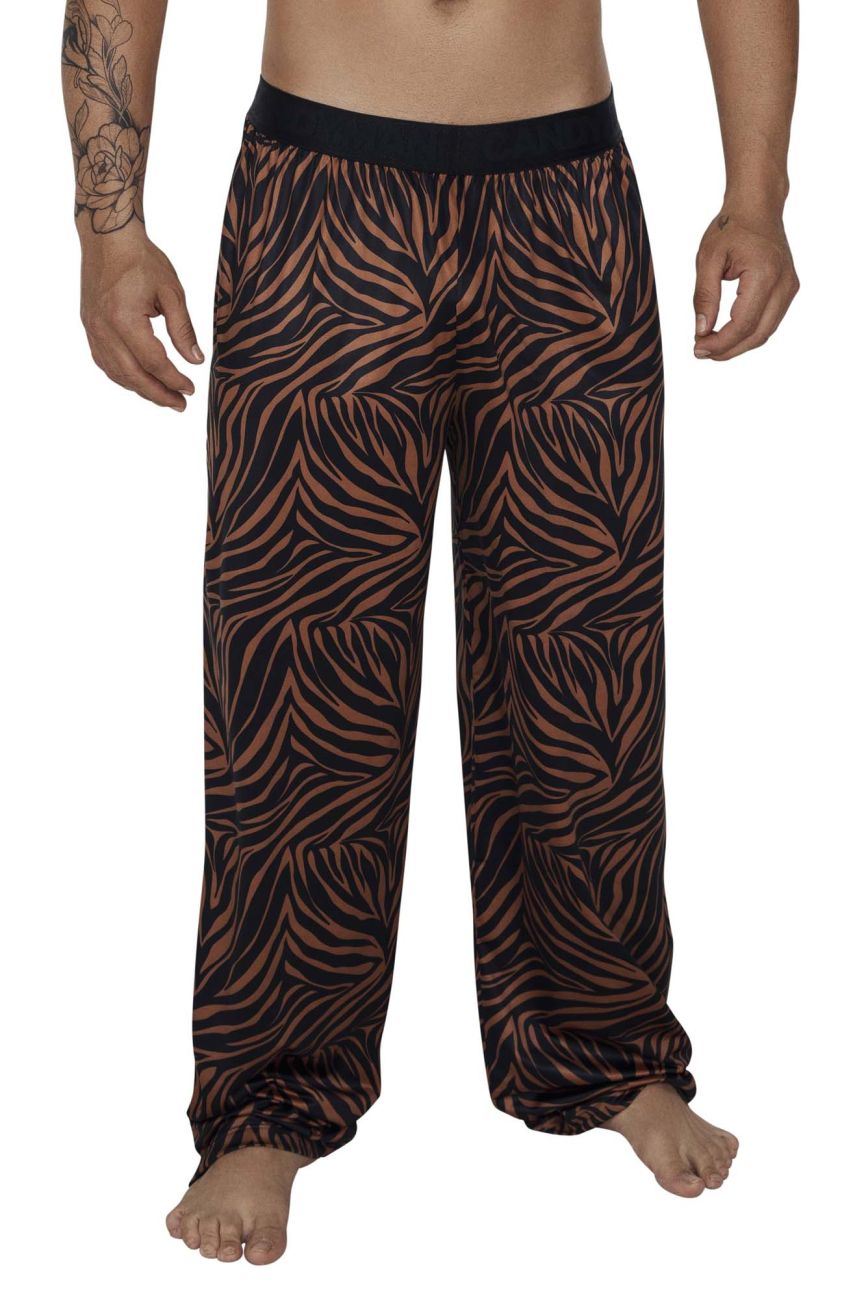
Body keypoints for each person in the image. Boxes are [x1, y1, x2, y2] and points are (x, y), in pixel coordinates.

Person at [62, 0, 799, 1267]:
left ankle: (604, 1046)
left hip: (563, 197)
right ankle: (267, 1098)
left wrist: (755, 193)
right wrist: (109, 231)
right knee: (297, 671)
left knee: (587, 657)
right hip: (320, 192)